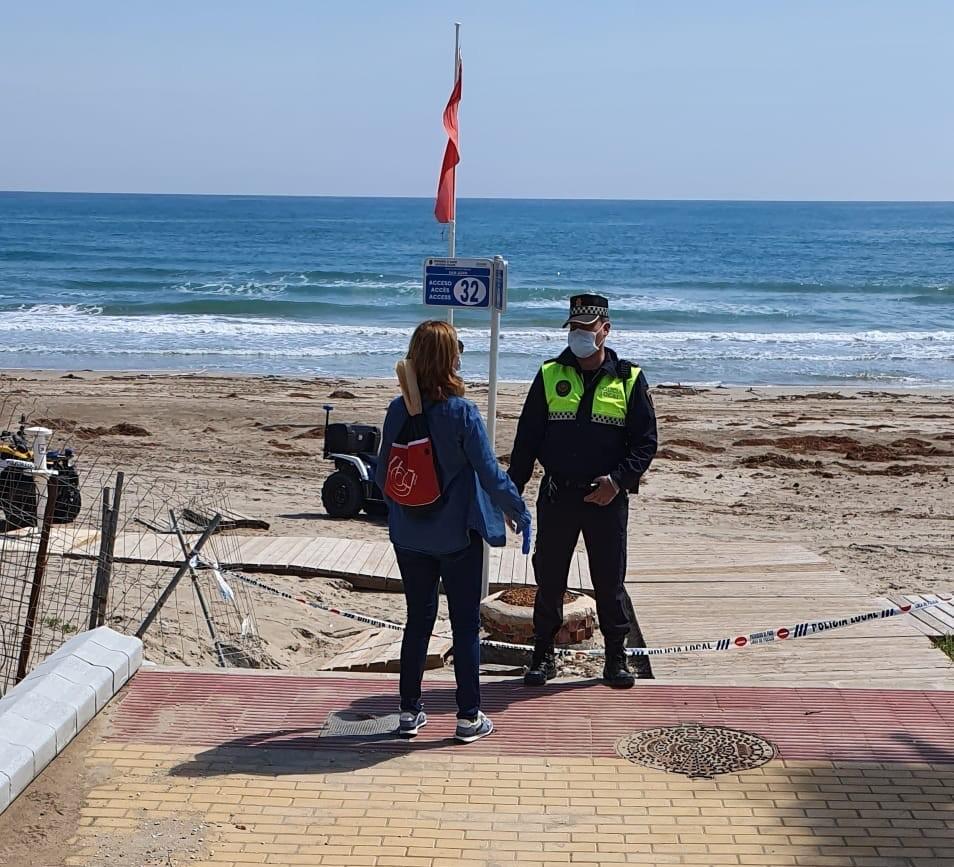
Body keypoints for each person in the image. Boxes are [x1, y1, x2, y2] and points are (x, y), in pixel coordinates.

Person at [376, 320, 532, 743]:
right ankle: (468, 717)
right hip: (457, 539)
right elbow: (491, 473)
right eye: (458, 349)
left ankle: (409, 712)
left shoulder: (397, 410)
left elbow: (380, 476)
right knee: (464, 625)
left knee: (417, 621)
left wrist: (404, 510)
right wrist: (518, 510)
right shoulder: (462, 413)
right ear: (449, 360)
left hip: (409, 537)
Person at [507, 294, 657, 688]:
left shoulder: (629, 378)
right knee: (549, 579)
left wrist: (618, 481)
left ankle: (615, 658)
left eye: (586, 330)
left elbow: (645, 443)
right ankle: (542, 656)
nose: (579, 336)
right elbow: (527, 440)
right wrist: (512, 492)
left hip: (606, 498)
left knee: (609, 580)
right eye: (573, 329)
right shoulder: (549, 374)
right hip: (558, 496)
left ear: (605, 330)